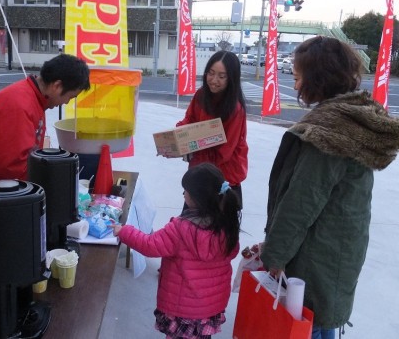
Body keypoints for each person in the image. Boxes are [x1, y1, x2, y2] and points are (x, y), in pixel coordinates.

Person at [260, 36, 399, 339]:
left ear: (317, 78)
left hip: (316, 257)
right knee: (324, 324)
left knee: (310, 325)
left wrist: (274, 257)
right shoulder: (352, 119)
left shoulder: (329, 133)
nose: (295, 87)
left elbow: (300, 205)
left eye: (297, 78)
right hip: (340, 251)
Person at [0, 54, 91, 239]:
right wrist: (53, 191)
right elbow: (13, 166)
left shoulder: (34, 99)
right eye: (70, 97)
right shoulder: (17, 104)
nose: (66, 103)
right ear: (57, 86)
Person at [112, 163, 242, 339]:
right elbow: (232, 252)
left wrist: (124, 231)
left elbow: (150, 245)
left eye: (186, 191)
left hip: (183, 310)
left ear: (197, 197)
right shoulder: (227, 225)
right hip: (209, 308)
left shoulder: (181, 229)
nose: (183, 194)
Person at [172, 51, 248, 206]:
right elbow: (189, 120)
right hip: (199, 168)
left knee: (216, 227)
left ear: (231, 78)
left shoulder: (235, 109)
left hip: (223, 175)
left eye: (222, 76)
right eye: (211, 73)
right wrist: (178, 138)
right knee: (188, 225)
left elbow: (224, 153)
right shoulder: (201, 95)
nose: (214, 80)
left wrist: (190, 149)